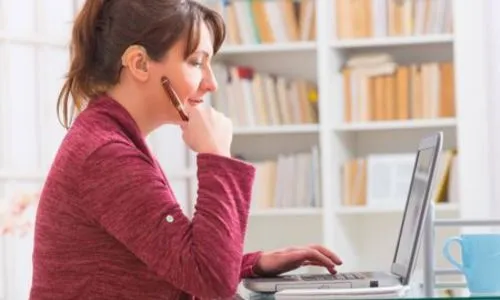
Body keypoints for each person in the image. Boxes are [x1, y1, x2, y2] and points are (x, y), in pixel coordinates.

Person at [29, 0, 342, 299]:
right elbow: (210, 279)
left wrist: (252, 265)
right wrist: (216, 156)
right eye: (196, 62)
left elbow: (180, 262)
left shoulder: (110, 139)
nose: (211, 83)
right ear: (139, 63)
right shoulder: (105, 154)